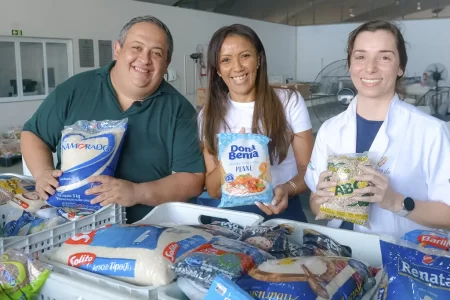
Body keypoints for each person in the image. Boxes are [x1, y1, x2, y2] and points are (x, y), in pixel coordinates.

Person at [20, 16, 205, 223]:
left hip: (145, 229)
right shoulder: (76, 89)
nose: (144, 59)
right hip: (72, 225)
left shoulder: (179, 110)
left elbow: (192, 178)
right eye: (136, 47)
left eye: (156, 53)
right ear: (117, 49)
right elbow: (33, 135)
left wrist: (137, 192)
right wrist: (42, 172)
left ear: (167, 63)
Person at [305, 20, 450, 238]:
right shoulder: (330, 130)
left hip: (401, 260)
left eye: (384, 57)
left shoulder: (431, 131)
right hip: (341, 255)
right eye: (360, 57)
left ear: (400, 67)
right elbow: (316, 205)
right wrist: (320, 201)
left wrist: (395, 201)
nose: (370, 67)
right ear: (349, 65)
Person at [199, 24, 314, 222]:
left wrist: (287, 188)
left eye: (245, 56)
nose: (237, 67)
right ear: (218, 70)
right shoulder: (208, 115)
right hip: (233, 214)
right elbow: (213, 189)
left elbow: (310, 169)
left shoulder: (288, 101)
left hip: (283, 205)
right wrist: (230, 157)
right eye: (226, 60)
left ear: (258, 59)